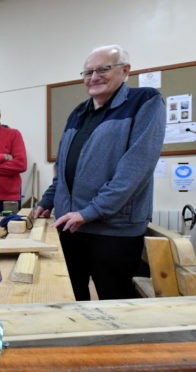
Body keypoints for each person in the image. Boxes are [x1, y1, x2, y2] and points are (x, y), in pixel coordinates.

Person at [34, 45, 165, 301]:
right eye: (88, 72)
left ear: (125, 70)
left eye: (103, 69)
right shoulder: (78, 113)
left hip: (113, 229)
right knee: (71, 297)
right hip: (71, 225)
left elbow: (135, 169)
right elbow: (63, 168)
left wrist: (91, 211)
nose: (94, 77)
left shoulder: (145, 101)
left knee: (114, 300)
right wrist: (48, 200)